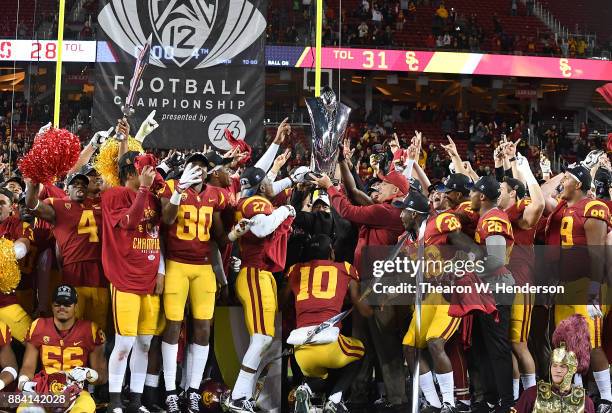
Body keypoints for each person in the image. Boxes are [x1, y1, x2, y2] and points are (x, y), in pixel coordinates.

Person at [158, 152, 241, 413]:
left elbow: (218, 236)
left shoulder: (215, 195)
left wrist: (235, 233)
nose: (199, 170)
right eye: (193, 165)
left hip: (203, 267)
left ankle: (193, 390)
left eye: (203, 166)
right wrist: (180, 188)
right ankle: (171, 390)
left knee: (203, 328)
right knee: (173, 326)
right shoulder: (172, 187)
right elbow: (167, 219)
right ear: (184, 168)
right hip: (176, 264)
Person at [396, 190, 482, 413]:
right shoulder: (405, 241)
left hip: (448, 296)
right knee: (410, 347)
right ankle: (433, 402)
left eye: (403, 211)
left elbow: (474, 251)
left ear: (414, 214)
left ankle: (449, 403)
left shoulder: (440, 223)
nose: (399, 216)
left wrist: (457, 268)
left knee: (435, 343)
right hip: (426, 298)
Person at [227, 166, 296, 413]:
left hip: (261, 273)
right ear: (258, 185)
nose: (271, 183)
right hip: (255, 272)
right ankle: (237, 395)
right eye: (267, 180)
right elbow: (262, 229)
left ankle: (242, 395)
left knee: (264, 338)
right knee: (262, 337)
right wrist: (285, 210)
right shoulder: (256, 202)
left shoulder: (250, 200)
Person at [101, 151, 166, 413]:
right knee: (124, 343)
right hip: (124, 278)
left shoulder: (152, 196)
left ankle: (136, 400)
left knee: (144, 344)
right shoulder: (113, 195)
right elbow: (129, 222)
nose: (151, 172)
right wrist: (143, 190)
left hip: (149, 279)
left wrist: (160, 270)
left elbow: (157, 236)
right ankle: (115, 401)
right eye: (145, 168)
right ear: (130, 173)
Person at [547, 164, 612, 413]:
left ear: (579, 184)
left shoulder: (593, 207)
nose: (562, 182)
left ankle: (606, 398)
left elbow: (597, 254)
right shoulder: (567, 208)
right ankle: (572, 393)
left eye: (566, 178)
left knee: (592, 344)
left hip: (587, 285)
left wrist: (594, 291)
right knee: (564, 344)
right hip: (567, 286)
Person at [282, 234, 372, 413]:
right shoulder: (345, 268)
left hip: (301, 349)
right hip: (329, 343)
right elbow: (359, 305)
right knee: (360, 351)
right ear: (331, 253)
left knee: (321, 374)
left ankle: (305, 389)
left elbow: (283, 303)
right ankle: (335, 399)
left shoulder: (295, 270)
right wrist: (374, 311)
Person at [25, 171, 108, 333]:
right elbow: (32, 204)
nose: (80, 187)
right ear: (66, 188)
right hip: (73, 273)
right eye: (75, 184)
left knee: (99, 331)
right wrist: (32, 185)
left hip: (100, 274)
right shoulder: (58, 205)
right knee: (74, 329)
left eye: (83, 184)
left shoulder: (100, 205)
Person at [17, 284, 107, 413]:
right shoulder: (39, 326)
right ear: (52, 305)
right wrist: (23, 382)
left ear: (76, 306)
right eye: (58, 304)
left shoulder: (90, 329)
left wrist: (89, 373)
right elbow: (28, 367)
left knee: (85, 408)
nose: (62, 308)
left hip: (77, 393)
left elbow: (102, 376)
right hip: (44, 390)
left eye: (67, 304)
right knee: (25, 410)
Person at [470, 175, 516, 412]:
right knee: (483, 347)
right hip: (486, 289)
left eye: (472, 192)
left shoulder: (494, 218)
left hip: (496, 288)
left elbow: (496, 259)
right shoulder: (487, 217)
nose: (469, 196)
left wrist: (467, 267)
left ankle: (507, 403)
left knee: (497, 348)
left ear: (482, 196)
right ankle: (491, 398)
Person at [513, 315, 595, 413]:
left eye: (563, 366)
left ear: (573, 369)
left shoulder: (586, 403)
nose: (558, 370)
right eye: (554, 365)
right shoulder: (531, 395)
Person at [0, 186, 33, 343]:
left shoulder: (16, 224)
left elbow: (24, 244)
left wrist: (8, 253)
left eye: (2, 203)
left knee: (32, 340)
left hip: (5, 299)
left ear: (11, 207)